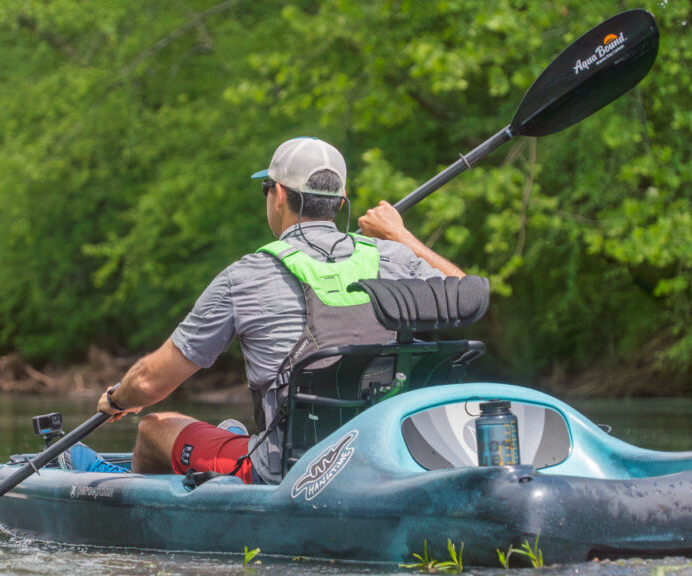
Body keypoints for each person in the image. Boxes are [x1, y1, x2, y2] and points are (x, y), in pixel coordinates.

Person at [74, 137, 464, 484]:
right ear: (340, 203)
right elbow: (465, 292)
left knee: (154, 428)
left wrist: (119, 398)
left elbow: (147, 384)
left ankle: (137, 510)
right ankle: (228, 441)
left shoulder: (245, 276)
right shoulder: (393, 257)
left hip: (286, 472)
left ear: (278, 194)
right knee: (226, 432)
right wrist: (401, 235)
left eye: (266, 189)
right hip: (384, 459)